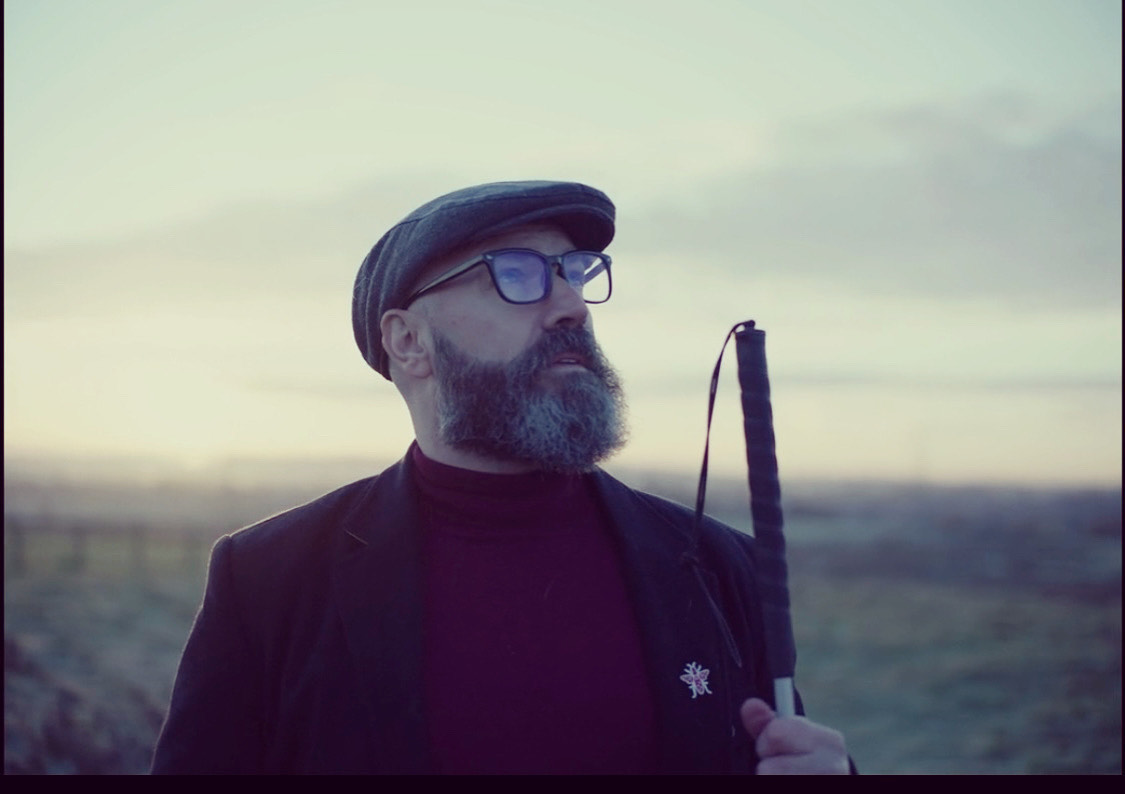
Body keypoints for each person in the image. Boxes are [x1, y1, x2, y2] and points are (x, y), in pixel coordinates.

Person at [151, 180, 849, 774]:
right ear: (407, 341)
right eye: (516, 274)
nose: (572, 305)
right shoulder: (270, 579)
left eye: (574, 272)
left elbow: (781, 752)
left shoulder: (712, 564)